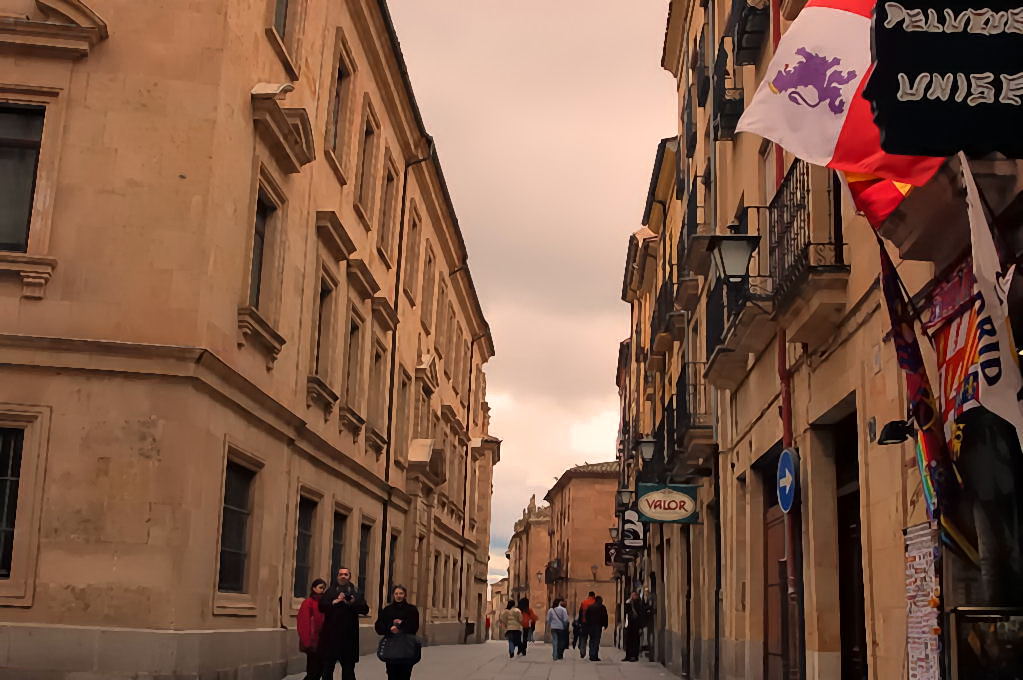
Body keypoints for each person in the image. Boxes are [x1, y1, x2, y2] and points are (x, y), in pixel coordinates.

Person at [319, 567, 370, 680]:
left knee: (348, 670)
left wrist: (352, 602)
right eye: (341, 574)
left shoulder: (355, 592)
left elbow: (365, 609)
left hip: (349, 637)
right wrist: (335, 602)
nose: (343, 576)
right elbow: (321, 607)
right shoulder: (330, 591)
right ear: (337, 576)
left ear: (349, 577)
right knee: (327, 669)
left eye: (346, 574)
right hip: (331, 636)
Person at [374, 584, 420, 680]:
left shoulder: (412, 610)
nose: (398, 596)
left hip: (407, 647)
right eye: (396, 593)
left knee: (405, 675)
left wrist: (402, 625)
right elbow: (378, 626)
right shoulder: (387, 610)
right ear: (393, 595)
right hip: (391, 648)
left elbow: (414, 627)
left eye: (401, 593)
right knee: (392, 675)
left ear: (405, 595)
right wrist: (389, 628)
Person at [297, 579, 327, 680]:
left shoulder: (324, 603)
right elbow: (304, 622)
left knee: (320, 670)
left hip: (322, 641)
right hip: (312, 641)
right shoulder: (308, 603)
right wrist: (307, 641)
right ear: (314, 588)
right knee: (312, 670)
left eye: (323, 588)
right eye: (320, 587)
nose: (322, 590)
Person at [623, 590, 650, 662]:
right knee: (628, 641)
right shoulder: (629, 603)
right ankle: (628, 656)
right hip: (630, 625)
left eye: (634, 595)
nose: (633, 597)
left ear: (637, 596)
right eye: (632, 595)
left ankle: (634, 656)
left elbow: (641, 616)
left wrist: (641, 627)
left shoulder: (639, 604)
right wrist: (627, 603)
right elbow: (626, 613)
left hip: (636, 625)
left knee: (635, 642)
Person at [584, 595, 609, 661]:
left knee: (591, 640)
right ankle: (594, 656)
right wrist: (605, 625)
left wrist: (587, 625)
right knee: (596, 640)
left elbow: (586, 616)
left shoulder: (590, 607)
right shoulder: (602, 607)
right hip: (598, 626)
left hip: (591, 626)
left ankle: (591, 654)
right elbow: (605, 616)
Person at [577, 591, 596, 658]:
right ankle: (592, 653)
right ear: (594, 596)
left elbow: (580, 613)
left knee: (583, 638)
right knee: (592, 639)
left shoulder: (584, 602)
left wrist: (580, 622)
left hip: (584, 623)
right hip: (592, 624)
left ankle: (582, 652)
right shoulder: (595, 602)